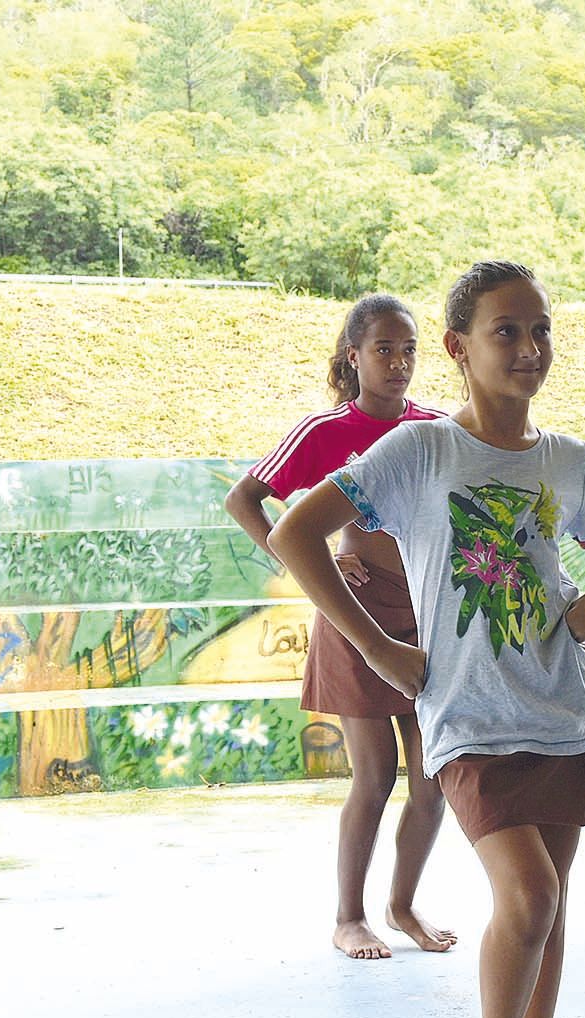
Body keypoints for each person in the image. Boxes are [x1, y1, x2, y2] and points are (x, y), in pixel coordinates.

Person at [270, 261, 585, 1018]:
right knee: (525, 897)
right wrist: (374, 649)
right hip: (468, 716)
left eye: (540, 331)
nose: (528, 350)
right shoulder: (417, 454)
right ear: (457, 347)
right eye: (505, 332)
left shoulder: (565, 458)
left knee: (546, 911)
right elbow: (293, 532)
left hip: (564, 706)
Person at [224, 296, 453, 960]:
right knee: (375, 775)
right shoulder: (324, 430)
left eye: (408, 349)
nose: (398, 362)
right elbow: (244, 498)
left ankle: (403, 904)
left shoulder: (437, 427)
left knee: (432, 773)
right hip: (355, 621)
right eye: (383, 349)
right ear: (352, 357)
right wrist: (304, 559)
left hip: (426, 620)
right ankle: (348, 916)